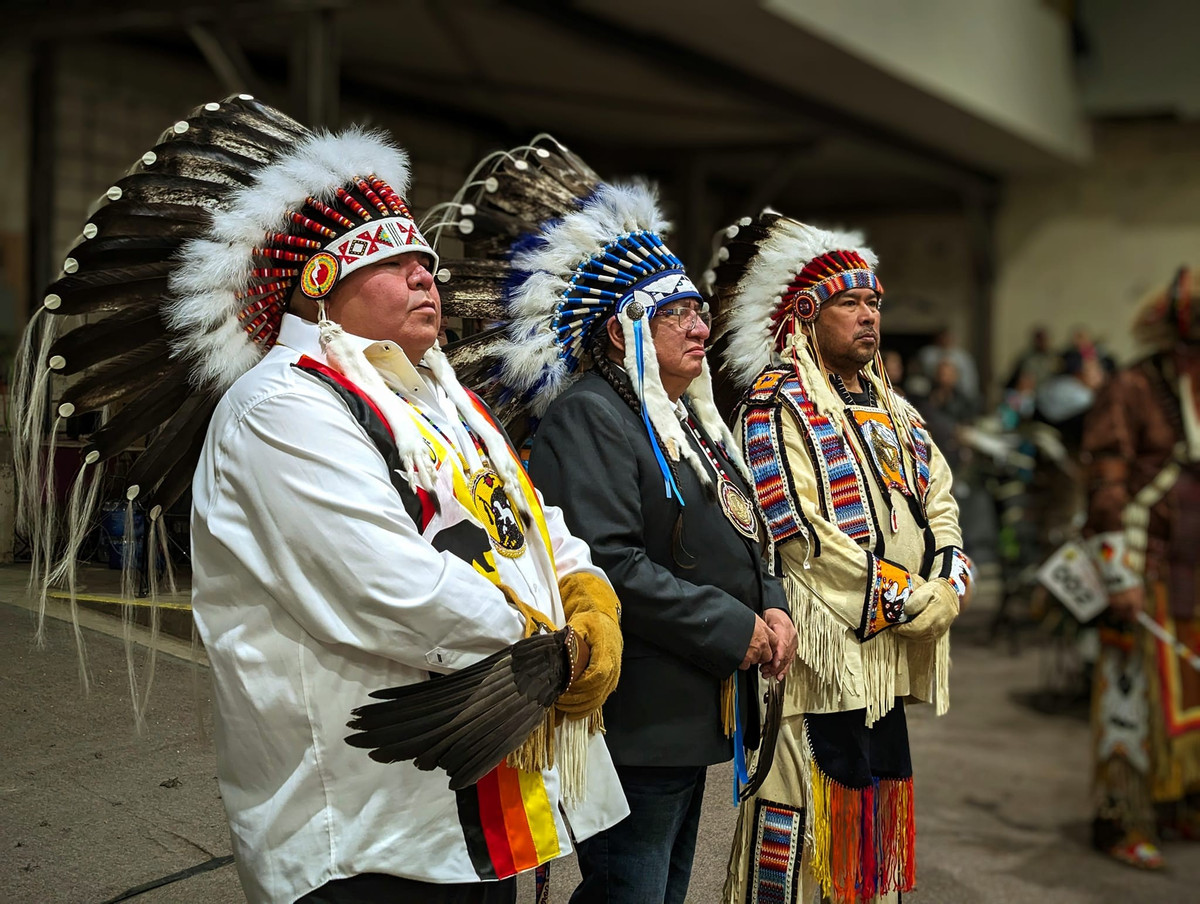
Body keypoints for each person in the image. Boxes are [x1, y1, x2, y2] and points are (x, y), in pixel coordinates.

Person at [14, 97, 627, 904]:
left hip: (478, 785)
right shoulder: (282, 408)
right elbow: (389, 585)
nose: (424, 273)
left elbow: (528, 518)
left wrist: (586, 591)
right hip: (369, 831)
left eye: (425, 259)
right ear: (317, 283)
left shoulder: (443, 400)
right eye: (393, 260)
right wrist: (557, 638)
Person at [428, 140, 797, 904]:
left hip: (692, 705)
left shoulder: (687, 420)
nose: (701, 328)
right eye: (679, 313)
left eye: (700, 311)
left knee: (660, 887)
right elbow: (613, 563)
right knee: (630, 889)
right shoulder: (590, 418)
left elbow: (744, 518)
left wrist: (773, 602)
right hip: (639, 712)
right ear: (624, 326)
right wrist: (737, 630)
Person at [707, 212, 972, 904]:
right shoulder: (774, 405)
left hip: (880, 663)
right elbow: (800, 534)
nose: (870, 316)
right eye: (851, 302)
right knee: (794, 825)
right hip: (818, 652)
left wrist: (949, 577)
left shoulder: (896, 411)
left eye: (875, 303)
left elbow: (939, 496)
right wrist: (912, 599)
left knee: (874, 817)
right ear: (806, 312)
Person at [1082, 267, 1200, 870]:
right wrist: (1116, 574)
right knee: (1130, 694)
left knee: (1188, 698)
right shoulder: (1133, 388)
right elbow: (1105, 481)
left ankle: (1177, 801)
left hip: (1191, 574)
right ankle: (1121, 818)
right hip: (1140, 569)